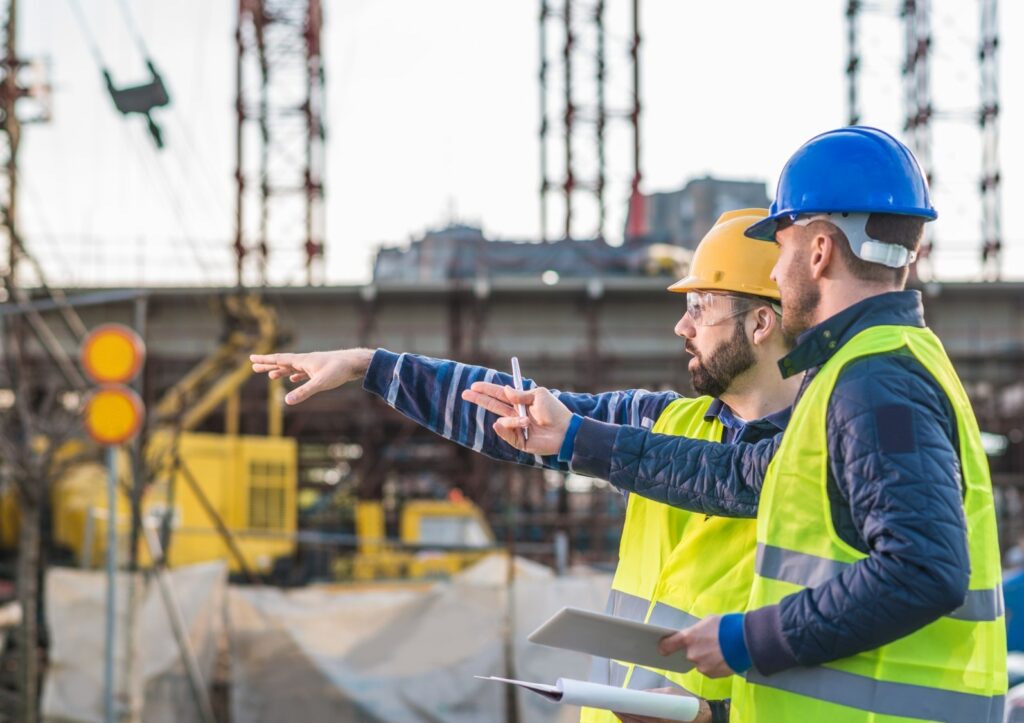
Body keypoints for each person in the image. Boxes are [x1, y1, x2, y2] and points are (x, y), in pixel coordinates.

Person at [474, 127, 1007, 723]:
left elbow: (923, 570)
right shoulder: (863, 371)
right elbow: (736, 472)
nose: (776, 275)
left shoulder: (876, 379)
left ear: (820, 251)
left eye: (779, 250)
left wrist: (743, 640)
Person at [251, 209, 801, 723]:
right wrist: (371, 366)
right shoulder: (661, 422)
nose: (682, 328)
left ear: (758, 322)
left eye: (699, 309)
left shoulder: (826, 453)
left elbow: (833, 650)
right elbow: (516, 416)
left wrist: (714, 715)